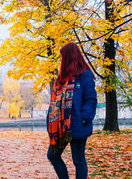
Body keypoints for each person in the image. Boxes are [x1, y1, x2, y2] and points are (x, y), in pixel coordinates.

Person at [47, 42, 97, 179]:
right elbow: (54, 103)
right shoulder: (62, 78)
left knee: (79, 160)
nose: (62, 60)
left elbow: (91, 99)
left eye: (63, 57)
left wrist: (83, 118)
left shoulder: (85, 75)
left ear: (70, 56)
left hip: (78, 125)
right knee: (52, 155)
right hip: (60, 126)